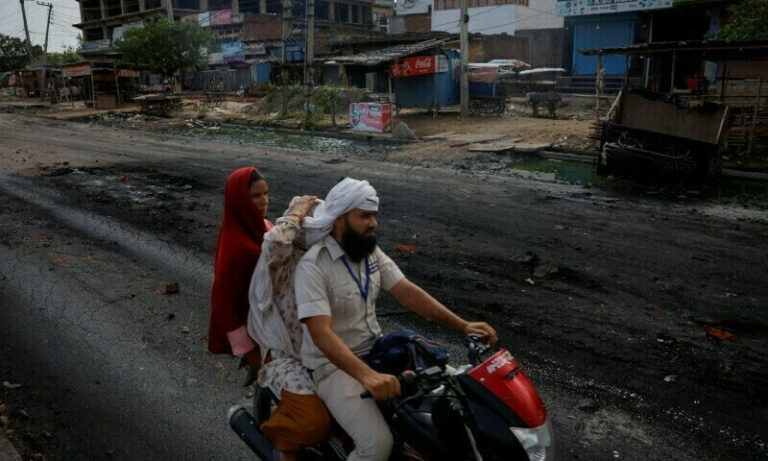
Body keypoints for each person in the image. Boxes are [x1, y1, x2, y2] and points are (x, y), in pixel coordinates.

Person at [296, 178, 497, 461]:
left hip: (376, 352)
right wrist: (367, 375)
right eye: (364, 216)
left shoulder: (369, 253)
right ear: (340, 219)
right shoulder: (314, 266)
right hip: (333, 368)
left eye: (374, 215)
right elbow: (321, 334)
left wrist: (463, 325)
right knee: (377, 446)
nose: (373, 223)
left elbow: (408, 293)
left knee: (463, 395)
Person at [247, 195, 331, 461]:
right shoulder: (282, 256)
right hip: (286, 353)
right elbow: (277, 242)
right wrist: (296, 211)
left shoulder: (329, 258)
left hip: (326, 347)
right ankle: (281, 445)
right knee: (313, 424)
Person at [208, 166, 271, 368]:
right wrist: (251, 354)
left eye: (266, 193)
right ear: (240, 200)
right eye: (255, 196)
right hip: (256, 333)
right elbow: (223, 302)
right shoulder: (239, 247)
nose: (264, 201)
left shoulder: (256, 225)